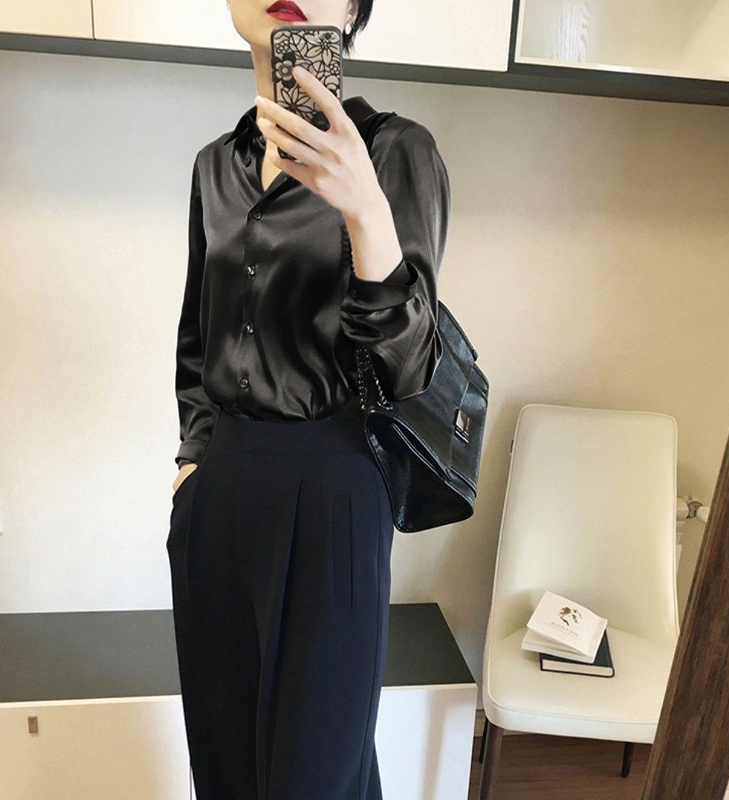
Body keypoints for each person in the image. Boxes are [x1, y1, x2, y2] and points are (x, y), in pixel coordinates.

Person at [166, 0, 450, 797]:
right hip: (220, 494)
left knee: (318, 776)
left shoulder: (397, 152)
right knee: (225, 769)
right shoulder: (214, 167)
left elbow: (411, 373)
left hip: (335, 486)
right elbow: (198, 339)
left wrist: (365, 210)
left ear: (354, 7)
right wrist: (193, 462)